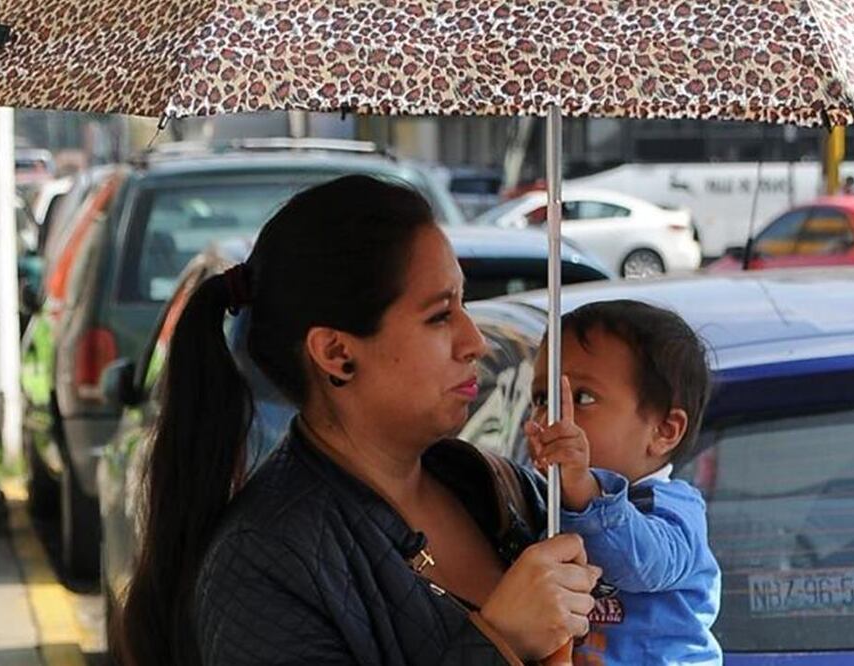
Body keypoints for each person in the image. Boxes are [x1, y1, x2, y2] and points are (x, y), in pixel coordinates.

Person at [114, 175, 601, 666]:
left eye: (463, 304)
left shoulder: (486, 484)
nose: (475, 341)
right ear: (336, 352)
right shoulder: (264, 561)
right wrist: (502, 640)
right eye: (439, 315)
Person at [526, 300, 722, 665]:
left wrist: (585, 491)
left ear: (665, 431)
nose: (552, 417)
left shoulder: (673, 510)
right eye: (541, 398)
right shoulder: (545, 505)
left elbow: (643, 564)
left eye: (581, 398)